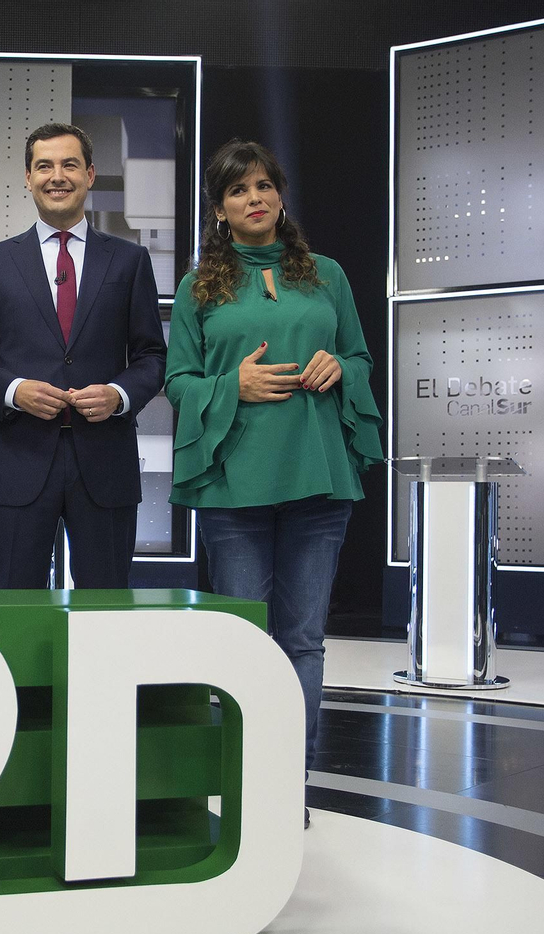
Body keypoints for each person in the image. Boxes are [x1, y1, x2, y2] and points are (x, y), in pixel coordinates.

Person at [165, 140, 384, 812]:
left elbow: (359, 357)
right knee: (243, 643)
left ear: (280, 196)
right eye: (237, 190)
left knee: (302, 640)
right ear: (221, 209)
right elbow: (178, 382)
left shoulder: (329, 276)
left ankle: (288, 788)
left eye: (263, 185)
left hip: (317, 481)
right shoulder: (197, 288)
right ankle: (241, 786)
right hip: (235, 487)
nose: (253, 198)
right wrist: (233, 383)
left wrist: (340, 369)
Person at [0, 122, 166, 589]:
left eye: (70, 164)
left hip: (105, 460)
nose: (58, 176)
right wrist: (15, 391)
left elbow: (153, 356)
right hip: (18, 457)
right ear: (28, 178)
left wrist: (118, 393)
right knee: (13, 607)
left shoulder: (130, 261)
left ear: (90, 174)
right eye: (44, 166)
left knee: (105, 610)